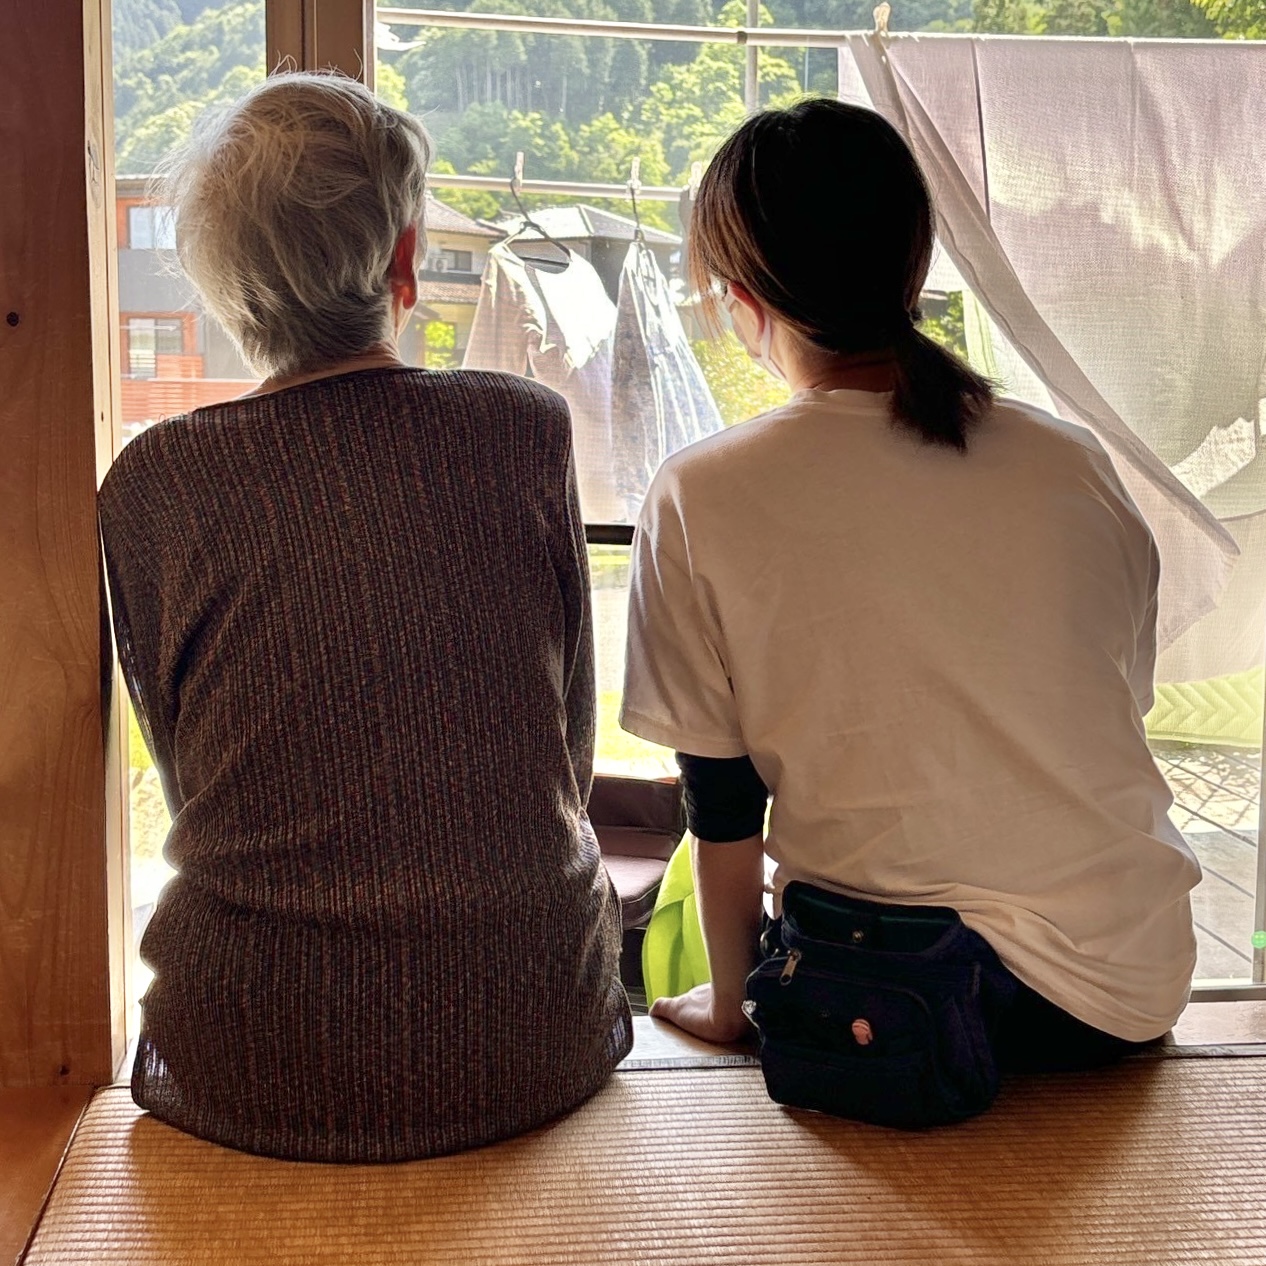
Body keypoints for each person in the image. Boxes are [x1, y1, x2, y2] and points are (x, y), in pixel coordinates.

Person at [99, 72, 631, 1163]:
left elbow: (190, 775)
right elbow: (566, 749)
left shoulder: (155, 481)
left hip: (249, 1045)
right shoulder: (521, 430)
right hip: (533, 1022)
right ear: (405, 260)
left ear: (219, 285)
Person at [620, 99, 1200, 1073]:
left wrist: (729, 1004)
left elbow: (722, 805)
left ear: (741, 302)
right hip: (1127, 991)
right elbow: (1116, 703)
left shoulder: (701, 492)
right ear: (916, 266)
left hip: (885, 999)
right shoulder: (1071, 461)